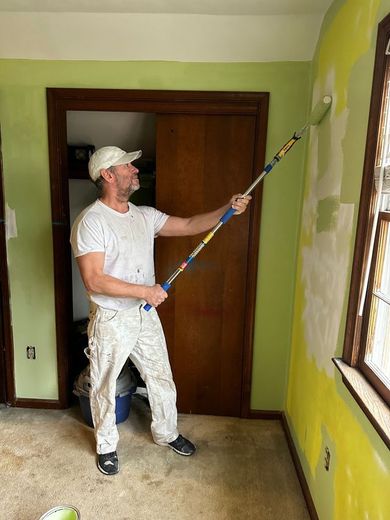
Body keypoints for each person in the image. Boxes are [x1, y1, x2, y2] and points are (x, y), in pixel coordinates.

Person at [70, 146, 251, 475]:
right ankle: (106, 446)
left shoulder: (143, 216)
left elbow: (189, 224)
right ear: (108, 175)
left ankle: (167, 432)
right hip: (112, 319)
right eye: (129, 166)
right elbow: (94, 280)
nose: (135, 170)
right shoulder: (91, 222)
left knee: (161, 377)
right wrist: (146, 290)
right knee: (105, 384)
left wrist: (228, 208)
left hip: (144, 314)